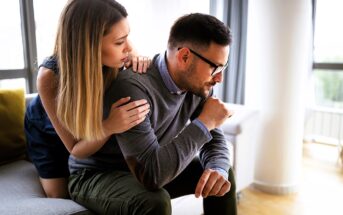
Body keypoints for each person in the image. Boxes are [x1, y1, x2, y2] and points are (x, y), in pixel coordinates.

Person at [68, 12, 237, 215]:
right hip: (96, 175)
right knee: (155, 201)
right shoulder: (133, 89)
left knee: (221, 175)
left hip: (144, 167)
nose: (219, 78)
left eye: (223, 66)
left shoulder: (199, 85)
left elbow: (213, 139)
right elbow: (151, 175)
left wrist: (217, 168)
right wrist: (204, 122)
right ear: (184, 57)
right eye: (215, 67)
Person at [24, 0, 151, 199]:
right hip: (47, 129)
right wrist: (108, 126)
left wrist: (142, 61)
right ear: (89, 44)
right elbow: (75, 149)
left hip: (88, 123)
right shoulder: (49, 77)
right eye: (119, 42)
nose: (128, 47)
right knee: (60, 198)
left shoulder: (121, 51)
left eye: (127, 37)